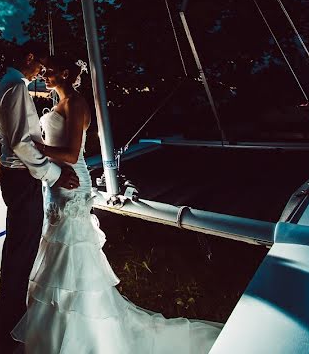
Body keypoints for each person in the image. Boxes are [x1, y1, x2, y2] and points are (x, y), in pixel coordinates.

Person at [12, 54, 223, 353]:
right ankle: (59, 328)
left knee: (72, 250)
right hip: (57, 183)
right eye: (44, 72)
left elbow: (72, 154)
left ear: (65, 73)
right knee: (58, 248)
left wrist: (36, 148)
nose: (44, 75)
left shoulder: (75, 103)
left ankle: (82, 328)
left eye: (49, 71)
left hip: (73, 182)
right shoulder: (61, 102)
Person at [0, 41, 80, 354]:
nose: (41, 72)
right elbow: (20, 143)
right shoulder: (16, 86)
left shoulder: (5, 83)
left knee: (19, 247)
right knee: (21, 253)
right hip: (20, 177)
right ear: (29, 58)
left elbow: (3, 133)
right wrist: (55, 174)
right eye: (40, 65)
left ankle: (10, 325)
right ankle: (10, 332)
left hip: (12, 175)